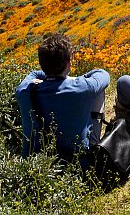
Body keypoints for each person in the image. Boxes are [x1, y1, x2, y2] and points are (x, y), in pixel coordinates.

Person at [15, 32, 109, 166]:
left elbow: (33, 74)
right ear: (68, 61)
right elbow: (103, 74)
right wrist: (73, 79)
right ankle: (93, 146)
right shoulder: (82, 87)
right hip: (78, 162)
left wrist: (50, 77)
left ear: (41, 62)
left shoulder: (24, 91)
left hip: (34, 166)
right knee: (98, 91)